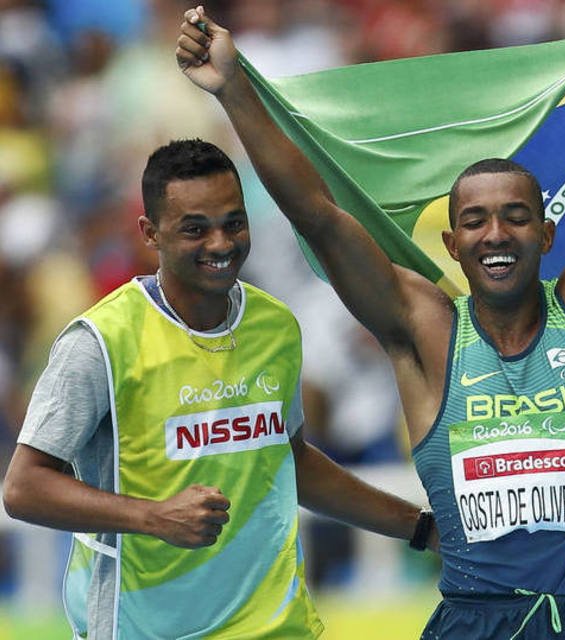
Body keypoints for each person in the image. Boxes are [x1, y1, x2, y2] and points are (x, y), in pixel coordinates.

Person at [175, 1, 565, 637]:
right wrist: (233, 89)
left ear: (546, 233)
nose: (495, 233)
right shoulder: (426, 332)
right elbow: (317, 215)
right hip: (472, 624)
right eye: (475, 220)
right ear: (453, 247)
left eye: (515, 216)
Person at [2, 138, 436, 639]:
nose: (220, 243)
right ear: (150, 232)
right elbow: (23, 487)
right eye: (195, 229)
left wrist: (420, 528)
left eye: (233, 222)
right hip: (143, 629)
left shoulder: (274, 326)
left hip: (279, 627)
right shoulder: (100, 342)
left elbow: (288, 460)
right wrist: (154, 517)